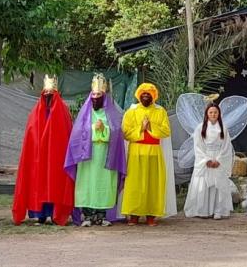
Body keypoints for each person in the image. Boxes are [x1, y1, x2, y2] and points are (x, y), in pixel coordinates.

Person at [63, 74, 127, 227]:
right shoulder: (85, 114)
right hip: (88, 156)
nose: (96, 97)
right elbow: (77, 132)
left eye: (99, 94)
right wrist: (93, 128)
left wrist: (105, 129)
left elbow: (117, 131)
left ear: (104, 96)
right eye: (94, 94)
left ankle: (102, 215)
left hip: (106, 155)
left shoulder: (110, 114)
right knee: (87, 183)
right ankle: (87, 215)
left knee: (103, 184)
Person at [13, 75, 75, 226]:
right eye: (45, 94)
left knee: (54, 183)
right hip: (38, 157)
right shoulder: (35, 112)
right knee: (38, 183)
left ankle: (55, 213)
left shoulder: (63, 111)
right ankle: (39, 214)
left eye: (51, 95)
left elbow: (66, 134)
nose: (48, 97)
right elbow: (31, 134)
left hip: (56, 157)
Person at [121, 83, 171, 226]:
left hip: (154, 152)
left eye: (149, 94)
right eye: (143, 94)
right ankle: (134, 215)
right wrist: (141, 128)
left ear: (153, 96)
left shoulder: (160, 112)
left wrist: (150, 127)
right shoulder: (131, 112)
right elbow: (125, 133)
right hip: (136, 151)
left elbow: (166, 131)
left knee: (153, 184)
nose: (145, 96)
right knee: (135, 184)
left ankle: (151, 215)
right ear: (138, 95)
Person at [184, 103, 234, 219]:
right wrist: (206, 160)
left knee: (218, 184)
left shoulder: (223, 128)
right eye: (211, 112)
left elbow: (227, 146)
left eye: (215, 112)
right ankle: (203, 210)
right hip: (205, 157)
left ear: (219, 114)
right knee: (203, 183)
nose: (213, 114)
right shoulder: (200, 127)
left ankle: (218, 210)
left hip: (218, 157)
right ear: (207, 114)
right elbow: (198, 146)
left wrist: (219, 160)